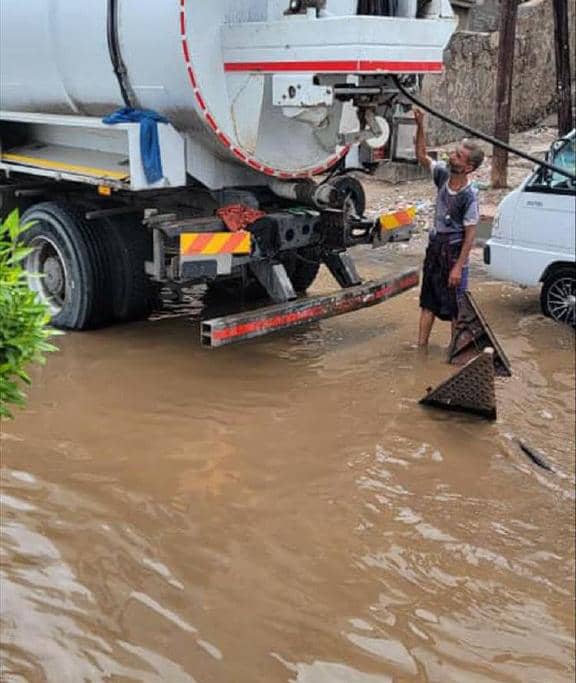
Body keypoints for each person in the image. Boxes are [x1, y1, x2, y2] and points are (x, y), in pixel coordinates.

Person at [413, 108, 485, 348]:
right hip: (436, 249)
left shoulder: (470, 197)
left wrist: (458, 267)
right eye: (455, 153)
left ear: (468, 167)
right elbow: (421, 155)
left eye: (458, 156)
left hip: (454, 253)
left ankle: (454, 352)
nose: (452, 157)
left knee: (456, 309)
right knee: (428, 302)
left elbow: (470, 236)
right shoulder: (443, 175)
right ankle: (420, 348)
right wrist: (420, 125)